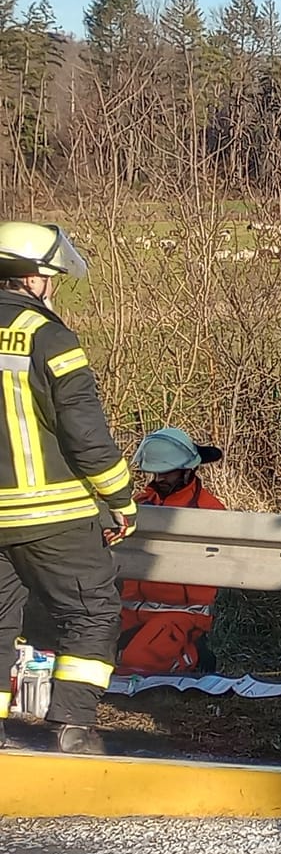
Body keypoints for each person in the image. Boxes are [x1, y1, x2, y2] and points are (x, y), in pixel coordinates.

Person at [0, 222, 136, 753]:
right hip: (49, 515)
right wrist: (121, 499)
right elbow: (86, 435)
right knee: (91, 611)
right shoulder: (50, 337)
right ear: (32, 278)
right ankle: (71, 728)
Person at [118, 427, 227, 675]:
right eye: (155, 472)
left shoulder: (209, 511)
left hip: (181, 614)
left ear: (188, 470)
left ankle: (195, 655)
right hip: (131, 613)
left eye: (166, 472)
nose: (159, 478)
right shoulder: (141, 503)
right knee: (82, 654)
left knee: (137, 664)